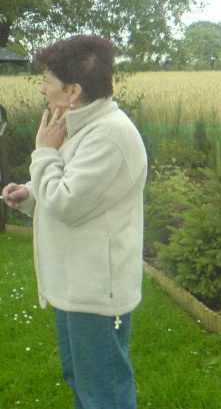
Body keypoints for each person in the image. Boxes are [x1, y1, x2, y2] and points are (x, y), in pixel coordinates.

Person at [1, 35, 147, 408]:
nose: (42, 88)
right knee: (84, 385)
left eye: (48, 81)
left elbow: (66, 203)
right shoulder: (81, 127)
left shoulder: (109, 135)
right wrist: (31, 195)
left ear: (73, 90)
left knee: (104, 393)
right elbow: (71, 192)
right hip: (75, 286)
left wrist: (44, 153)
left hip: (96, 290)